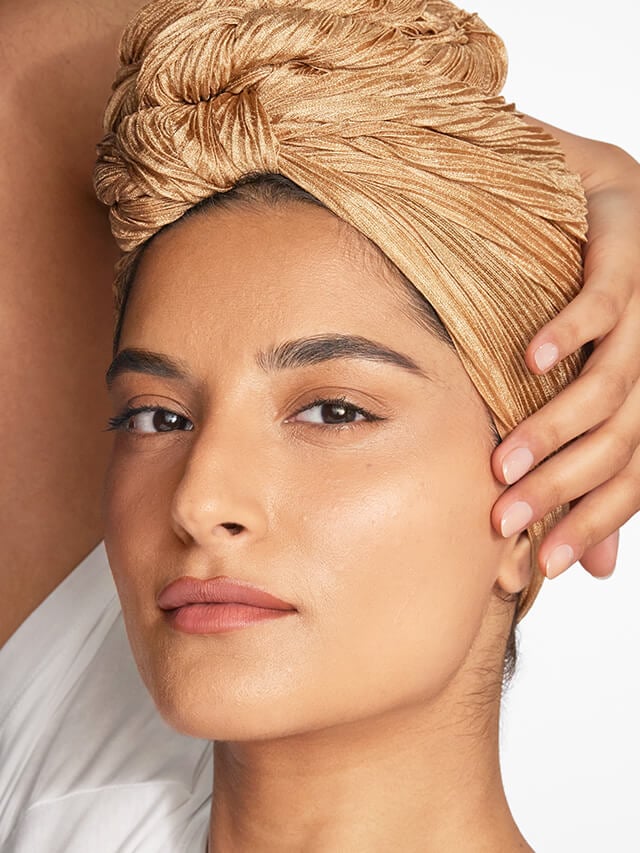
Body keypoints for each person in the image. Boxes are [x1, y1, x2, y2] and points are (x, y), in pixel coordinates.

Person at [0, 0, 638, 850]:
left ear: (533, 503)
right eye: (158, 416)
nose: (198, 499)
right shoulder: (60, 789)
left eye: (333, 411)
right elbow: (32, 76)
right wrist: (585, 170)